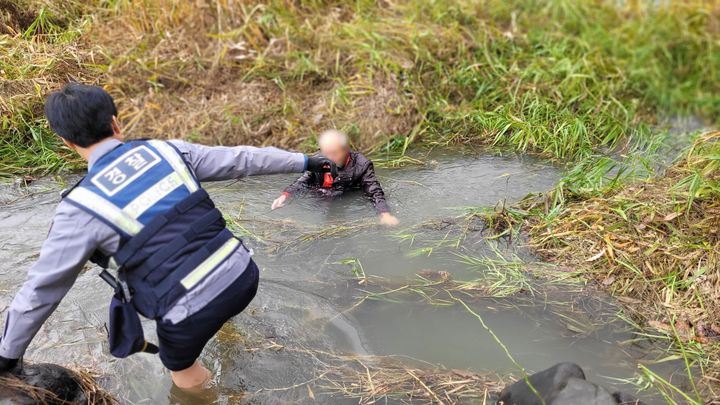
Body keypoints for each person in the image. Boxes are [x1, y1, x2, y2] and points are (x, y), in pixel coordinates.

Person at [0, 83, 337, 390]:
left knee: (183, 373)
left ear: (66, 142)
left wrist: (7, 356)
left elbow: (42, 290)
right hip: (244, 273)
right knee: (213, 302)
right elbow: (242, 159)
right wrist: (307, 160)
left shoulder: (79, 208)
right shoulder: (167, 151)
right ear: (116, 123)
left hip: (189, 311)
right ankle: (226, 331)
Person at [271, 129, 399, 226]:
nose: (329, 158)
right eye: (326, 153)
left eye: (334, 153)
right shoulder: (318, 160)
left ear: (346, 150)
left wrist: (384, 213)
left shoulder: (362, 165)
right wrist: (285, 195)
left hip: (344, 201)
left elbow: (374, 190)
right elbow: (303, 181)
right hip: (317, 197)